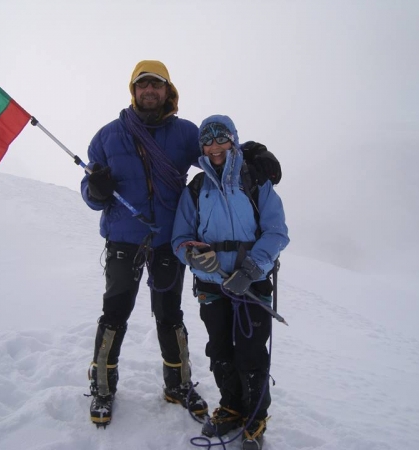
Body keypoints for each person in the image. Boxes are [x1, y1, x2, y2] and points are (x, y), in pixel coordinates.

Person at [80, 60, 282, 427]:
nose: (149, 91)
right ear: (133, 91)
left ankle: (179, 384)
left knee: (169, 315)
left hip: (166, 242)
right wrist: (94, 190)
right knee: (115, 314)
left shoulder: (185, 133)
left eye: (156, 85)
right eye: (142, 85)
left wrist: (254, 152)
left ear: (167, 90)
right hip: (123, 239)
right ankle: (103, 388)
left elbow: (218, 154)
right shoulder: (108, 136)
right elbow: (91, 189)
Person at [172, 115, 289, 449]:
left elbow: (277, 231)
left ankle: (254, 417)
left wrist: (251, 269)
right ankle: (231, 406)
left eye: (220, 137)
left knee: (250, 352)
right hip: (212, 284)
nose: (214, 146)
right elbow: (179, 238)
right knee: (220, 349)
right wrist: (193, 257)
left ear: (233, 140)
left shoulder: (255, 181)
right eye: (206, 140)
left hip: (252, 284)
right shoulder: (195, 189)